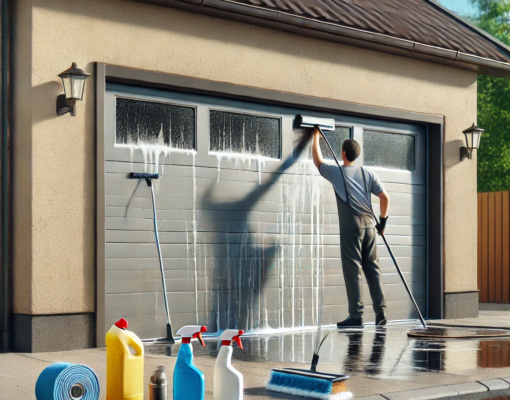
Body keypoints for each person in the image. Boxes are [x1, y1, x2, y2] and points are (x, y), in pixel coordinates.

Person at [311, 128, 390, 328]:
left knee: (353, 271)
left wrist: (315, 137)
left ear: (343, 154)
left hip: (351, 230)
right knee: (373, 270)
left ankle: (356, 317)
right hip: (370, 228)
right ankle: (381, 314)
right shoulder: (368, 173)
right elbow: (384, 197)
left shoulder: (337, 172)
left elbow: (318, 162)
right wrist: (382, 223)